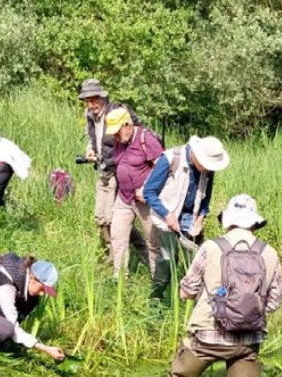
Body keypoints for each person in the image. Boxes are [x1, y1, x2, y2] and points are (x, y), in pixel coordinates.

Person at [166, 195, 282, 377]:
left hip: (207, 338)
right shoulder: (269, 253)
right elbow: (274, 302)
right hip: (247, 341)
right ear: (255, 223)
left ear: (227, 220)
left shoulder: (211, 248)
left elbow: (186, 291)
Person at [142, 136, 230, 302]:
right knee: (167, 260)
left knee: (197, 260)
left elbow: (206, 197)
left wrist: (200, 219)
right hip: (166, 216)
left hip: (191, 217)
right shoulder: (171, 159)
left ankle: (198, 302)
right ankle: (156, 299)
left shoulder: (207, 169)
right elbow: (149, 192)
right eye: (206, 165)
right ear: (197, 155)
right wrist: (167, 215)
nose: (208, 170)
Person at [107, 107, 165, 280]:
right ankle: (119, 280)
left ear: (127, 125)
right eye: (114, 134)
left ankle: (158, 280)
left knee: (153, 242)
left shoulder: (146, 139)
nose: (116, 137)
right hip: (124, 198)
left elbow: (162, 168)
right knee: (117, 237)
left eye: (118, 132)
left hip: (145, 202)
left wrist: (147, 187)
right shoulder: (119, 140)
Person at [79, 79, 137, 252]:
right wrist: (90, 150)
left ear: (102, 97)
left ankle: (125, 251)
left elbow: (131, 138)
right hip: (103, 170)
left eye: (94, 99)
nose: (91, 104)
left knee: (112, 217)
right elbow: (92, 138)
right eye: (87, 101)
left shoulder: (116, 113)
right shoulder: (90, 116)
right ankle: (110, 252)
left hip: (118, 171)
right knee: (100, 217)